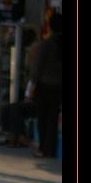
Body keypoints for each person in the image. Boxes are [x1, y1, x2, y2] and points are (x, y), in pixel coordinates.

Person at [28, 12, 62, 158]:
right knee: (53, 119)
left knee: (42, 118)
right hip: (59, 87)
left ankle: (43, 148)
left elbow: (37, 69)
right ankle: (51, 149)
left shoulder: (46, 44)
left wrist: (31, 88)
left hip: (45, 85)